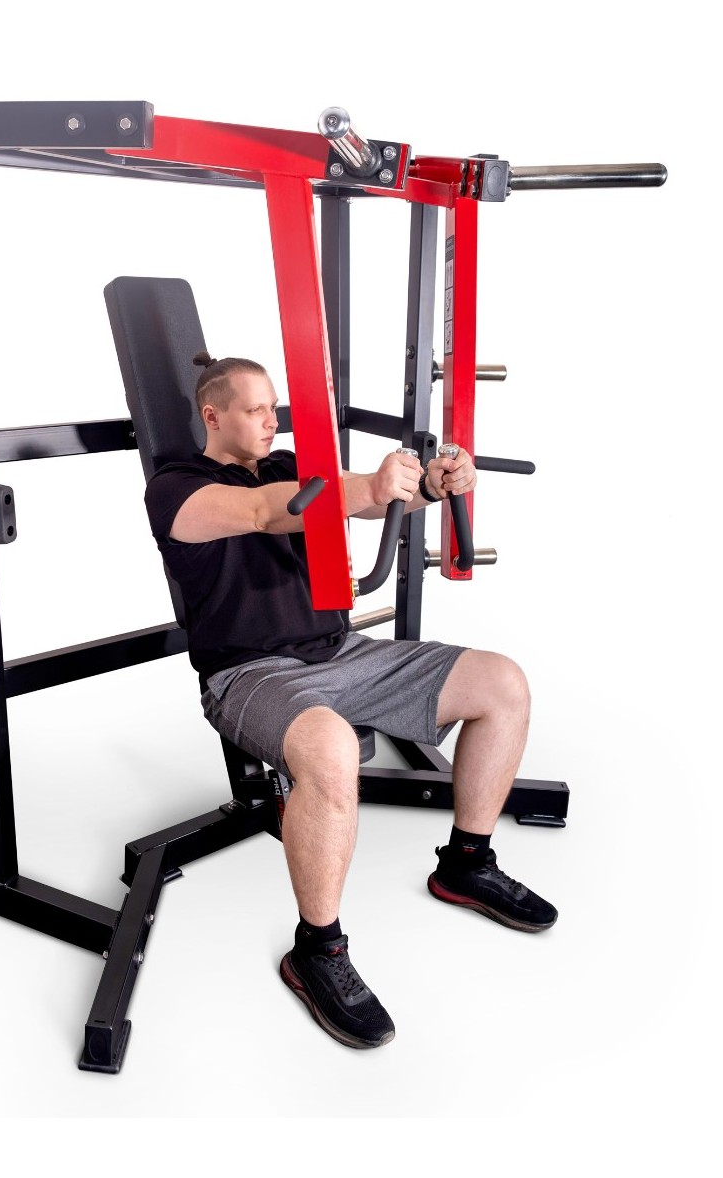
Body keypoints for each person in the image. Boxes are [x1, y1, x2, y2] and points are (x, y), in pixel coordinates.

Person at [143, 352, 557, 1050]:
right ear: (212, 416)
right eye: (255, 409)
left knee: (503, 684)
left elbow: (359, 501)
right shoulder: (177, 487)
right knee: (333, 748)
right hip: (249, 674)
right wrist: (363, 482)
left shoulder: (287, 464)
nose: (272, 420)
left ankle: (466, 863)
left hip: (341, 652)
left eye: (275, 406)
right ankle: (317, 951)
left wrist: (428, 486)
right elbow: (263, 514)